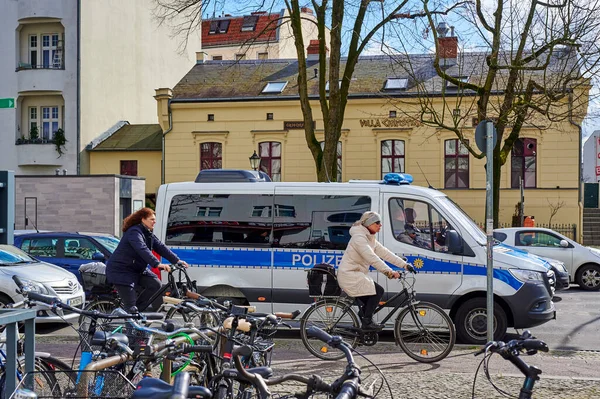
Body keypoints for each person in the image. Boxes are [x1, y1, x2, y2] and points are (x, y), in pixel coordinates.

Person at [337, 211, 415, 331]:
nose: (380, 225)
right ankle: (366, 322)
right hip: (349, 275)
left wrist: (404, 265)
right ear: (368, 223)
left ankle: (364, 319)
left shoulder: (369, 237)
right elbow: (372, 258)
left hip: (356, 275)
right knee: (378, 291)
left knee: (372, 297)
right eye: (377, 222)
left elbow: (385, 253)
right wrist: (389, 272)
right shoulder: (359, 238)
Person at [106, 207, 189, 313]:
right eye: (152, 219)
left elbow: (160, 247)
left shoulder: (147, 233)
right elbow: (142, 249)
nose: (154, 222)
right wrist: (157, 263)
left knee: (155, 283)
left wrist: (177, 261)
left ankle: (138, 309)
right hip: (122, 271)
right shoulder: (134, 232)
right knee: (130, 306)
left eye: (154, 219)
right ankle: (131, 323)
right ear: (143, 219)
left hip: (136, 270)